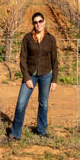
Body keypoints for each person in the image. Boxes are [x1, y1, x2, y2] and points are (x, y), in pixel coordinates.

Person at [9, 11, 58, 140]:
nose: (38, 24)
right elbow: (23, 59)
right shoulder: (27, 38)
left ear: (44, 22)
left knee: (43, 104)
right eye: (35, 22)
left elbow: (54, 60)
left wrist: (54, 80)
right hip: (31, 75)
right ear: (33, 24)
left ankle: (41, 131)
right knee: (21, 103)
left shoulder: (50, 39)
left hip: (46, 75)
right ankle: (15, 134)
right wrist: (27, 78)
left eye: (40, 21)